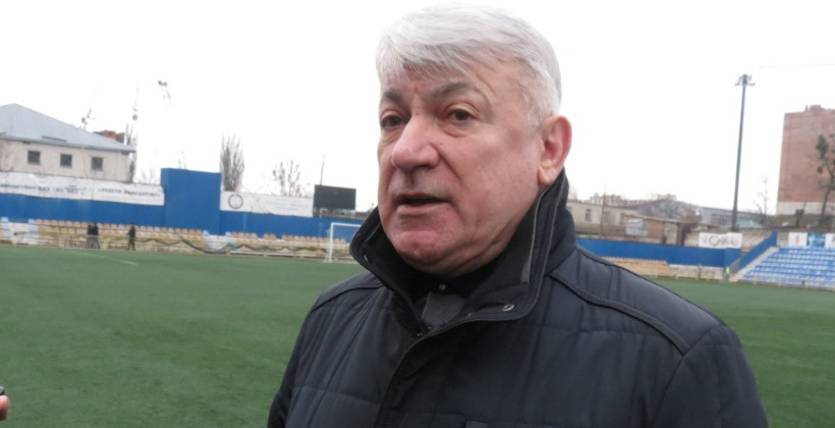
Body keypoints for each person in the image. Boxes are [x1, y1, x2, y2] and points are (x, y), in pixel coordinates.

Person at [268, 4, 767, 427]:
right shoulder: (331, 319)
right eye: (392, 119)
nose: (406, 150)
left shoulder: (678, 358)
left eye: (458, 114)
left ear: (548, 149)